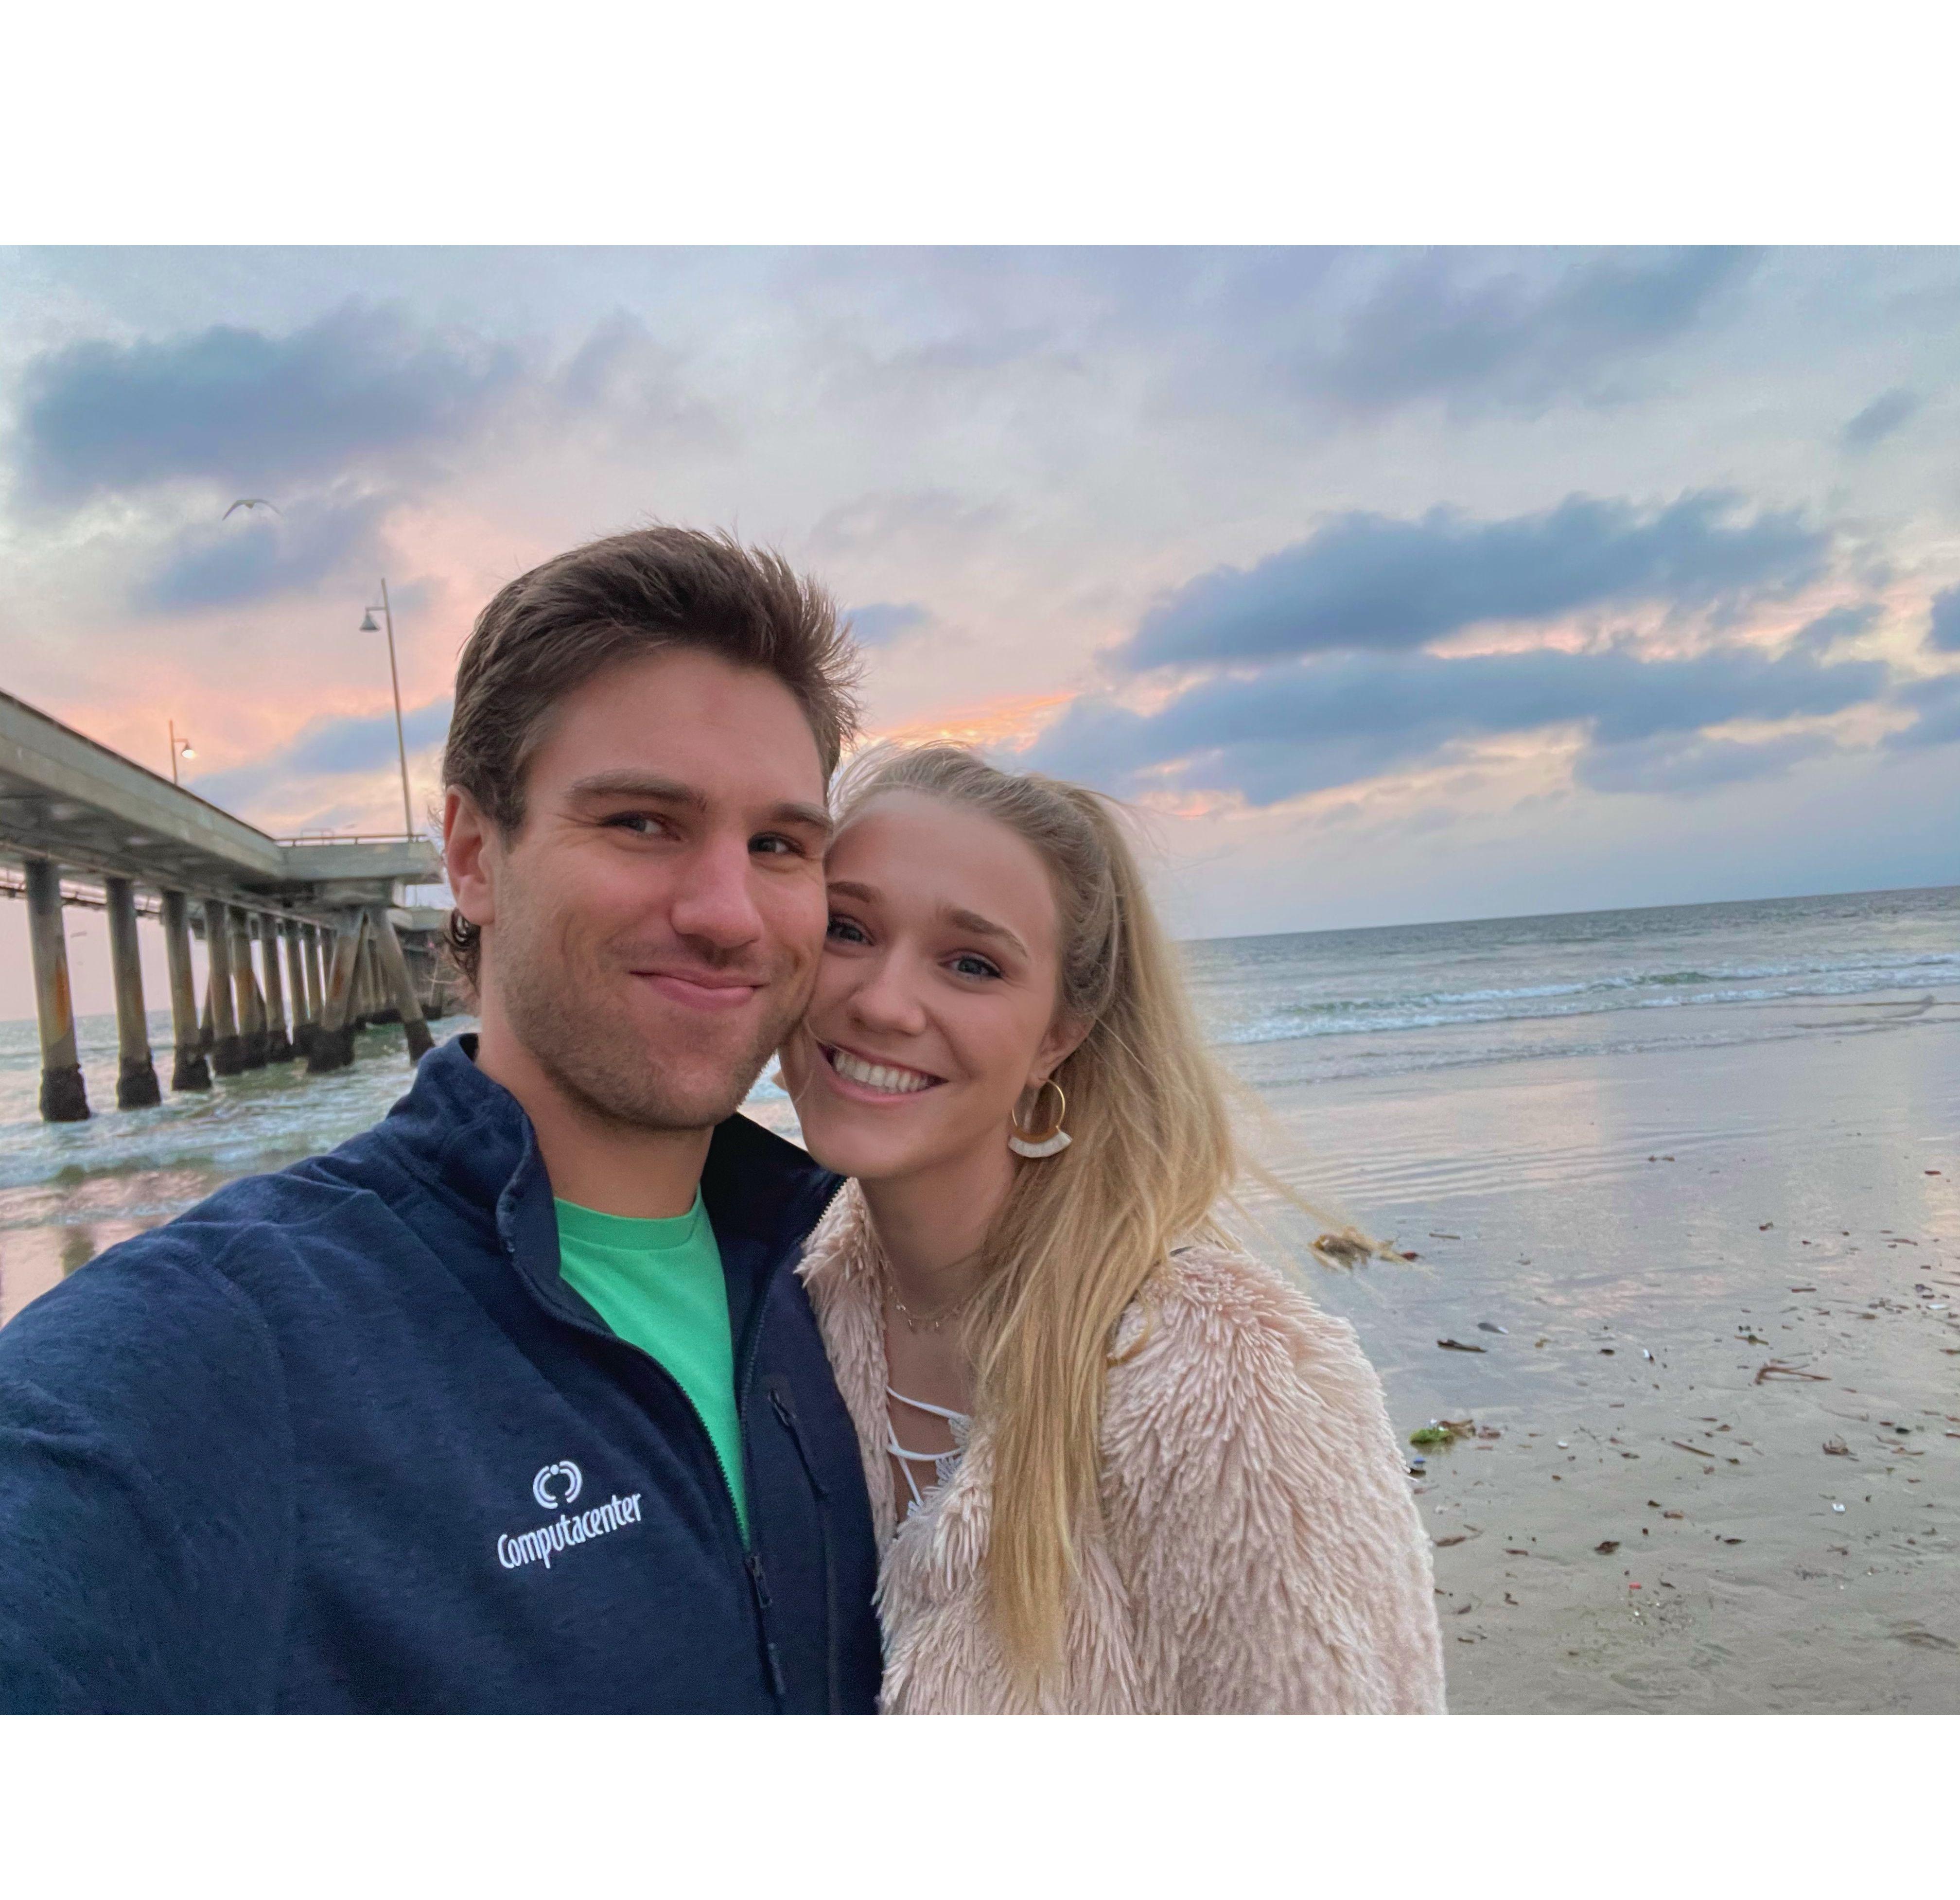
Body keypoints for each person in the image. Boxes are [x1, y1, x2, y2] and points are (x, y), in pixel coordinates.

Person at [0, 528, 882, 1714]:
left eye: (778, 845)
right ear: (472, 855)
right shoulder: (231, 1345)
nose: (728, 913)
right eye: (641, 822)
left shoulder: (862, 1271)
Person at [780, 743, 1446, 1713]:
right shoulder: (784, 1302)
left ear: (1058, 1036)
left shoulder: (1225, 1379)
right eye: (847, 929)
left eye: (971, 964)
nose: (882, 1002)